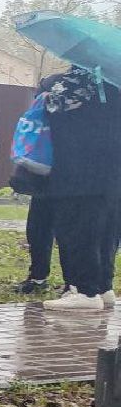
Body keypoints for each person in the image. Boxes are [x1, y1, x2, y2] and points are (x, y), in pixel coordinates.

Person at [38, 66, 121, 312]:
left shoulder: (75, 84)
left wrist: (46, 97)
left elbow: (53, 107)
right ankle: (104, 286)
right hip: (111, 176)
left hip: (77, 174)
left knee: (76, 230)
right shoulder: (114, 84)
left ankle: (85, 290)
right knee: (106, 232)